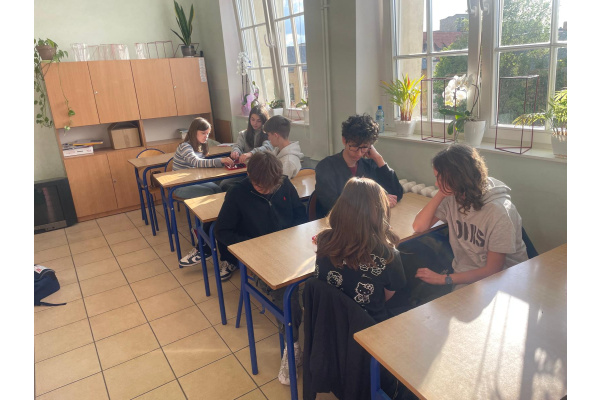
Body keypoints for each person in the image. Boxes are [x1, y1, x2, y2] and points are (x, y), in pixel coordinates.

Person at [214, 151, 307, 385]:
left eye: (271, 186)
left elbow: (300, 216)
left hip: (289, 250)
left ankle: (318, 340)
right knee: (286, 294)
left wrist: (294, 238)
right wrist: (252, 247)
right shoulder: (237, 194)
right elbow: (222, 231)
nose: (266, 191)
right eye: (259, 186)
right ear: (249, 175)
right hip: (257, 259)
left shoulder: (284, 185)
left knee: (323, 281)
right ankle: (292, 346)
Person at [412, 144, 528, 290]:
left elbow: (493, 270)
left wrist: (444, 279)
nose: (436, 183)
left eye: (439, 178)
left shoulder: (498, 211)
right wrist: (441, 192)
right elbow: (419, 226)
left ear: (458, 177)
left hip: (504, 280)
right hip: (466, 274)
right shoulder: (453, 196)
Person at [314, 177, 407, 323]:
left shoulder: (323, 239)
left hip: (328, 318)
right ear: (380, 213)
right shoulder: (388, 255)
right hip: (366, 326)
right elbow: (388, 296)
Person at [314, 114, 403, 219]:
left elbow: (396, 193)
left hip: (366, 222)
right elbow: (334, 206)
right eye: (355, 146)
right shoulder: (326, 167)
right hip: (336, 223)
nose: (359, 153)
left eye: (364, 147)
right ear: (344, 140)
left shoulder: (369, 165)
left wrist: (379, 159)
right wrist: (377, 203)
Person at [175, 117, 235, 267]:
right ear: (193, 132)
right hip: (181, 186)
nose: (206, 136)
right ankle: (202, 239)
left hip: (194, 181)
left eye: (208, 133)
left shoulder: (200, 146)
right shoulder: (185, 146)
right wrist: (220, 161)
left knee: (217, 190)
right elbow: (196, 163)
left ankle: (209, 229)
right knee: (209, 195)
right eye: (203, 133)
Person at [220, 104, 273, 191]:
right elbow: (237, 145)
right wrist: (236, 151)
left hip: (261, 172)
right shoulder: (243, 134)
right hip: (244, 170)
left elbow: (266, 148)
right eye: (252, 119)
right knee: (224, 184)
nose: (255, 123)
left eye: (259, 121)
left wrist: (250, 153)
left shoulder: (268, 135)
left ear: (264, 121)